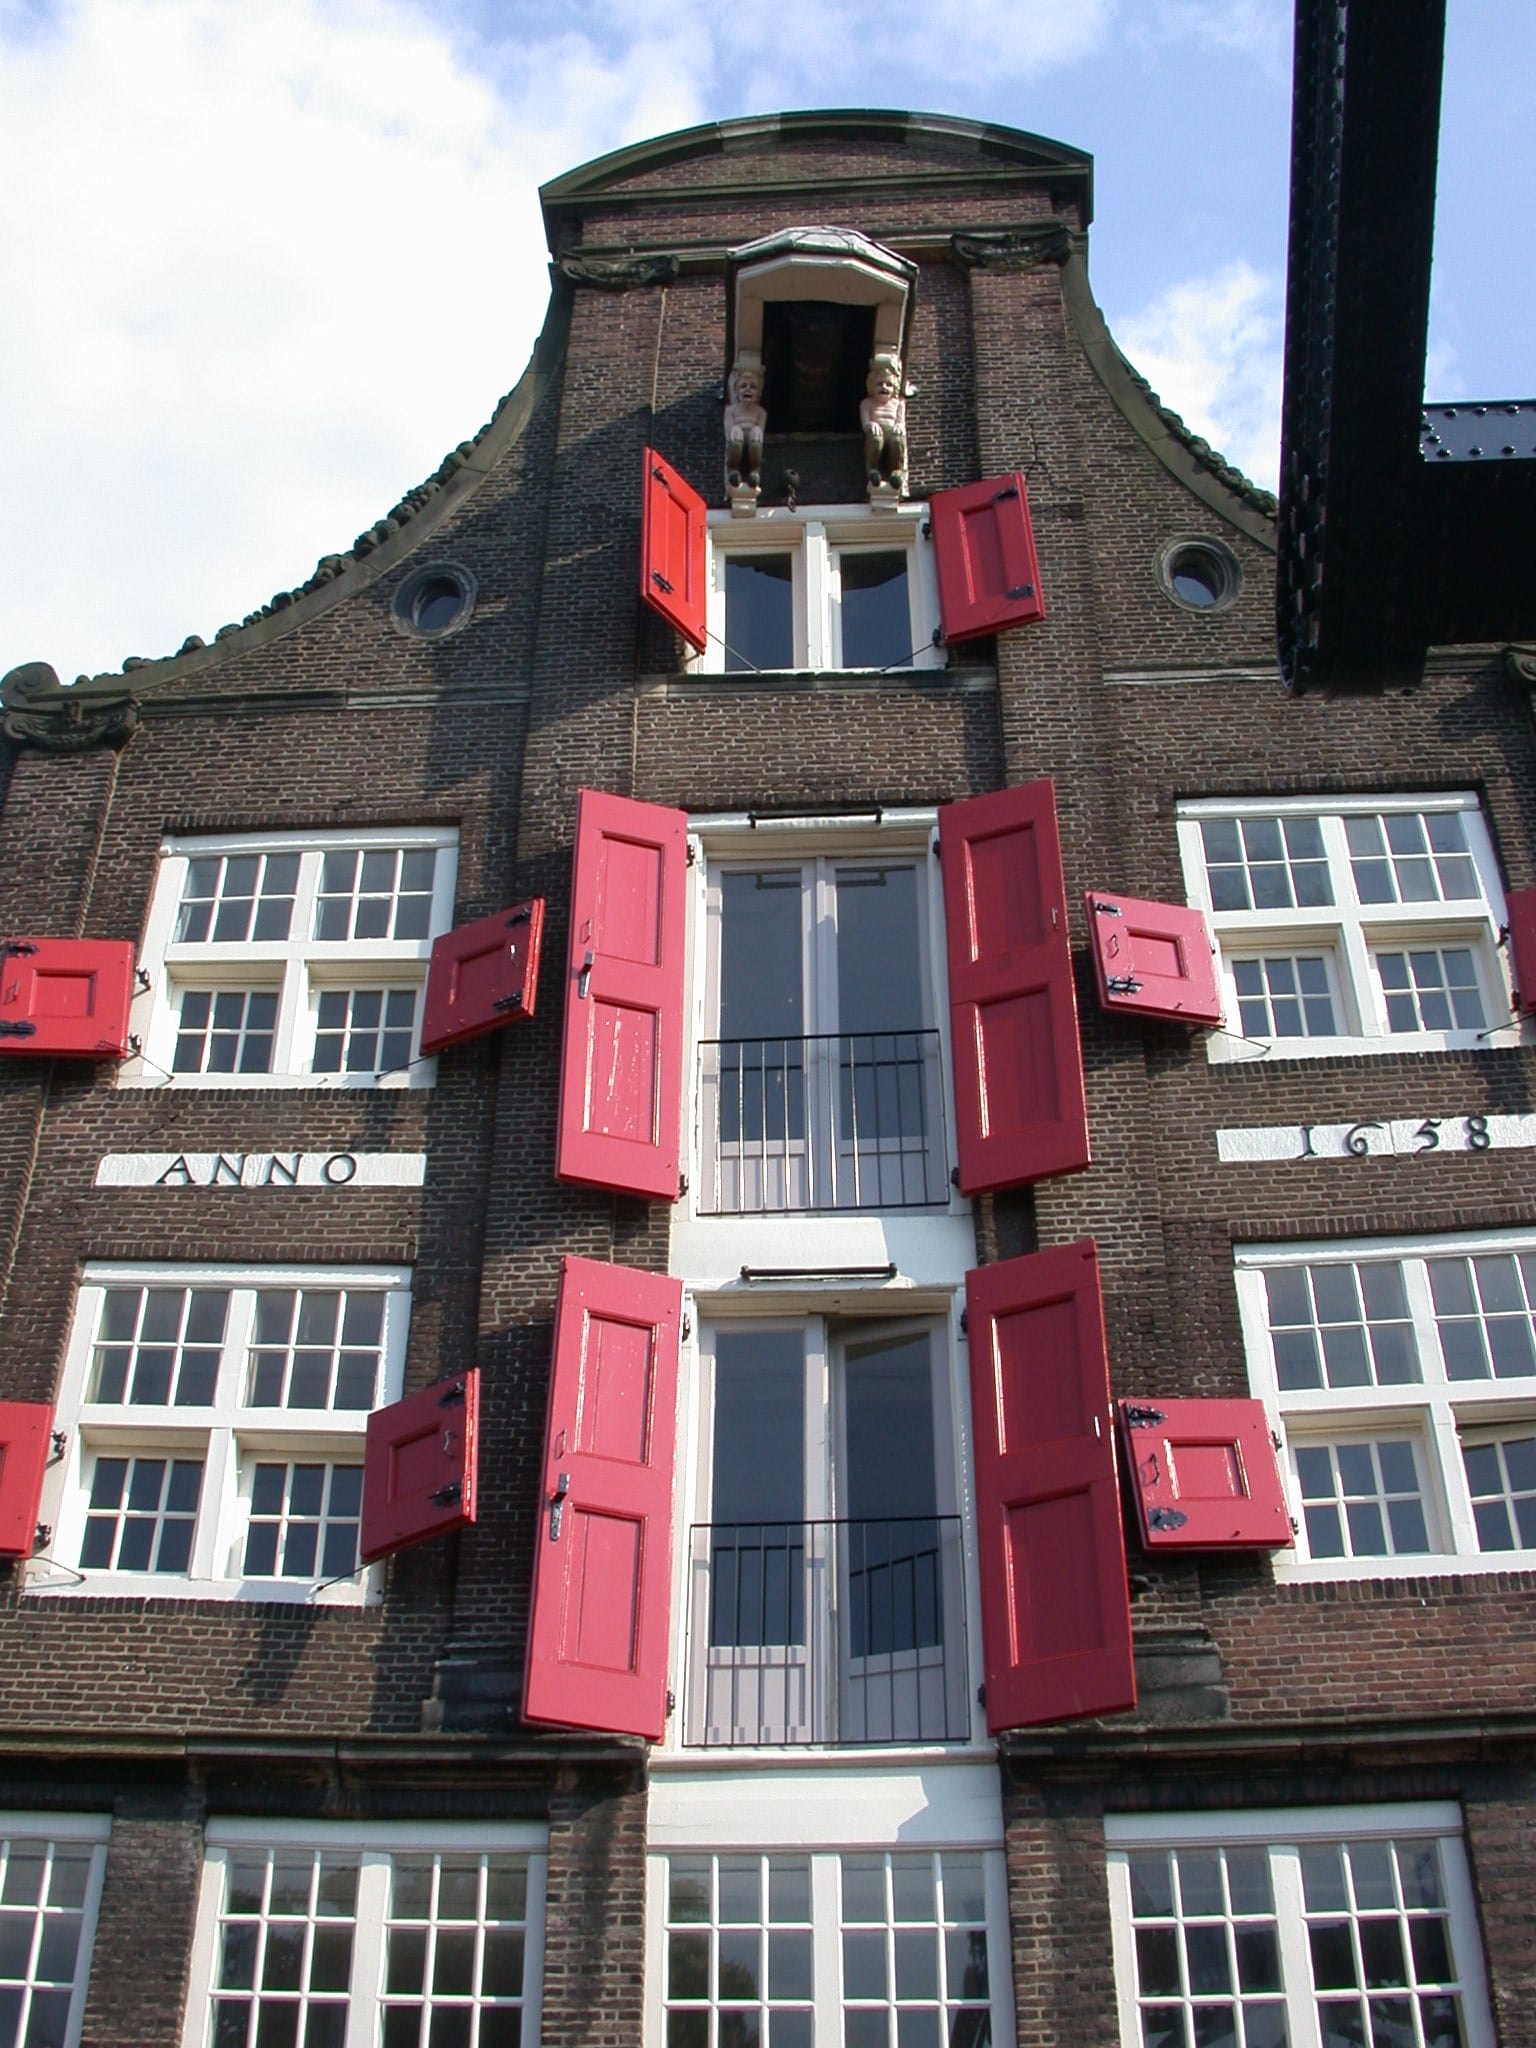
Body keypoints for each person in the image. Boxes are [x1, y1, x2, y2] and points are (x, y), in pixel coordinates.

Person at [861, 354, 907, 491]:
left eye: (889, 384)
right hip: (878, 431)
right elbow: (865, 422)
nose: (884, 387)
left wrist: (899, 426)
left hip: (891, 431)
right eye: (879, 384)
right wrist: (871, 424)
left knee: (897, 441)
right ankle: (873, 469)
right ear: (871, 386)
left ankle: (897, 471)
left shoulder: (899, 403)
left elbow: (900, 420)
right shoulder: (867, 403)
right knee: (875, 440)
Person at [724, 362, 767, 490]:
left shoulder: (760, 412)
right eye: (743, 386)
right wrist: (733, 432)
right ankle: (733, 469)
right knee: (736, 440)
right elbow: (728, 428)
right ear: (737, 392)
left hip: (752, 438)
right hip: (738, 437)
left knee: (756, 434)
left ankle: (754, 470)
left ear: (758, 393)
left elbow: (761, 428)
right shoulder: (731, 410)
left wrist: (757, 432)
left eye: (753, 387)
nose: (747, 389)